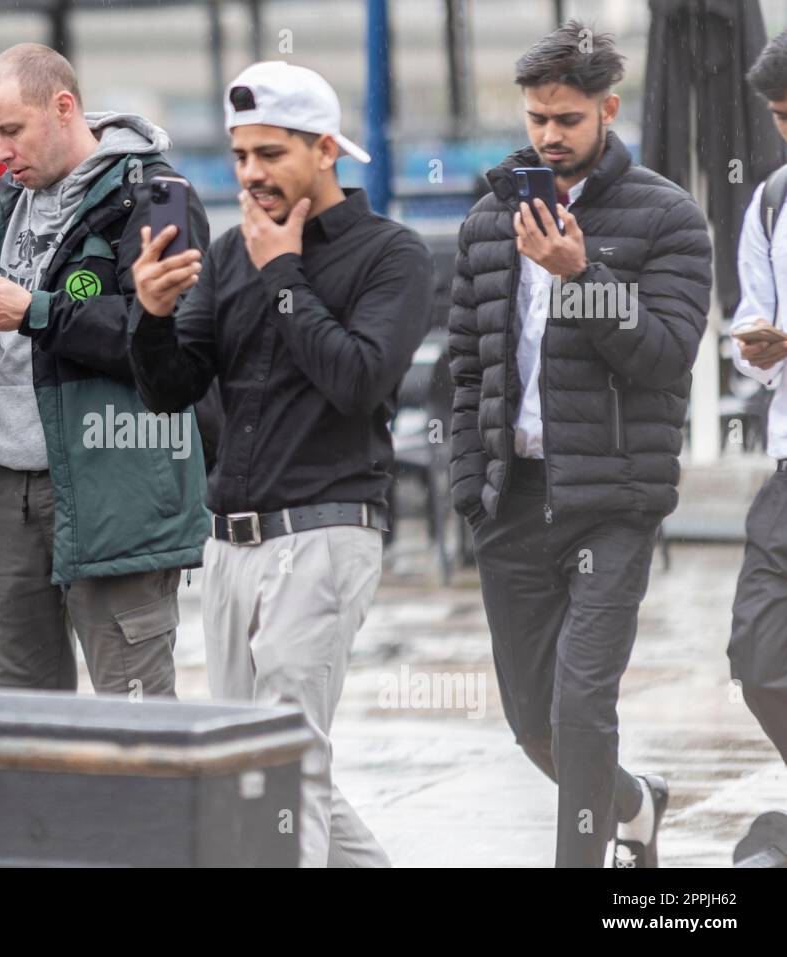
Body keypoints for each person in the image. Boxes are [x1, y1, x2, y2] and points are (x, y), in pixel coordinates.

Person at [129, 60, 433, 867]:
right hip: (230, 542)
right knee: (254, 767)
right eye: (241, 157)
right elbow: (173, 393)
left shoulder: (390, 255)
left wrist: (283, 275)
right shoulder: (227, 254)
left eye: (272, 153)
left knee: (284, 761)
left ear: (326, 149)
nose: (252, 174)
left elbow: (357, 380)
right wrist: (152, 318)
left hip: (326, 533)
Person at [447, 20, 712, 867]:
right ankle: (635, 803)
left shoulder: (667, 215)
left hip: (611, 504)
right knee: (532, 722)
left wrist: (579, 276)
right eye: (536, 119)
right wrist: (469, 486)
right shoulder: (490, 219)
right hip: (511, 501)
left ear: (609, 109)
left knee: (580, 706)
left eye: (566, 119)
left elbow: (665, 354)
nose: (550, 136)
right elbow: (466, 364)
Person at [0, 43, 209, 697]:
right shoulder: (0, 209)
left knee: (137, 720)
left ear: (64, 107)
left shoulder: (158, 197)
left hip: (112, 485)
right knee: (22, 718)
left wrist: (37, 310)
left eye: (10, 130)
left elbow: (164, 353)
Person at [727, 29, 787, 775]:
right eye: (779, 113)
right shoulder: (771, 202)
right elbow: (753, 315)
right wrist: (756, 348)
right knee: (757, 657)